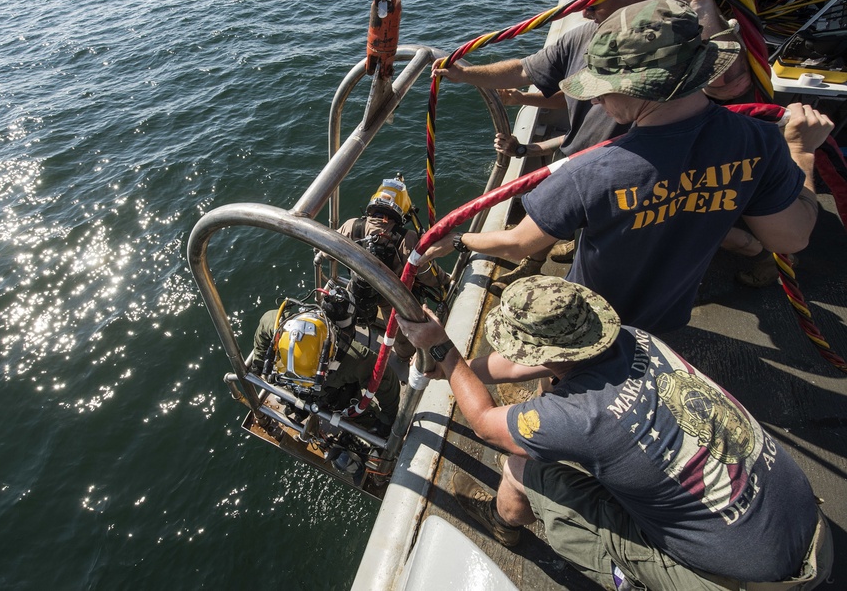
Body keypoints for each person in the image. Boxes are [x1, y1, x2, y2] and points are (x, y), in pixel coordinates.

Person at [421, 0, 833, 334]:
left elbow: (518, 243)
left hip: (591, 322)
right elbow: (792, 238)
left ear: (644, 91)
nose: (595, 101)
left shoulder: (590, 172)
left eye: (602, 90)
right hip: (669, 317)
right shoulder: (757, 141)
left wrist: (459, 240)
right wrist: (801, 152)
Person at [396, 276, 833, 590]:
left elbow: (485, 424)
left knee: (519, 469)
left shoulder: (581, 419)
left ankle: (507, 523)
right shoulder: (631, 337)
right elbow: (530, 362)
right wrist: (455, 373)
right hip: (808, 524)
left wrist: (445, 352)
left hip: (757, 582)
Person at [434, 0, 751, 284]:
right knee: (556, 215)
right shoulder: (583, 36)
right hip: (584, 166)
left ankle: (755, 253)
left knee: (633, 253)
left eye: (594, 1)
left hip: (642, 178)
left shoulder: (681, 35)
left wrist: (701, 3)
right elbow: (526, 69)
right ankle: (548, 260)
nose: (584, 12)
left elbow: (729, 84)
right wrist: (465, 75)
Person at [334, 176, 449, 369]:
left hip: (357, 289)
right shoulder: (408, 239)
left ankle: (342, 345)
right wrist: (444, 281)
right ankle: (405, 357)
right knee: (399, 335)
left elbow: (328, 251)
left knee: (348, 315)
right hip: (391, 299)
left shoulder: (352, 225)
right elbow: (426, 273)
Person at [251, 294, 399, 433]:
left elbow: (265, 323)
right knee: (352, 403)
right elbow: (384, 378)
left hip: (290, 384)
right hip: (327, 394)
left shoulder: (279, 325)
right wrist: (387, 420)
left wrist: (258, 364)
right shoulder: (352, 359)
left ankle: (297, 406)